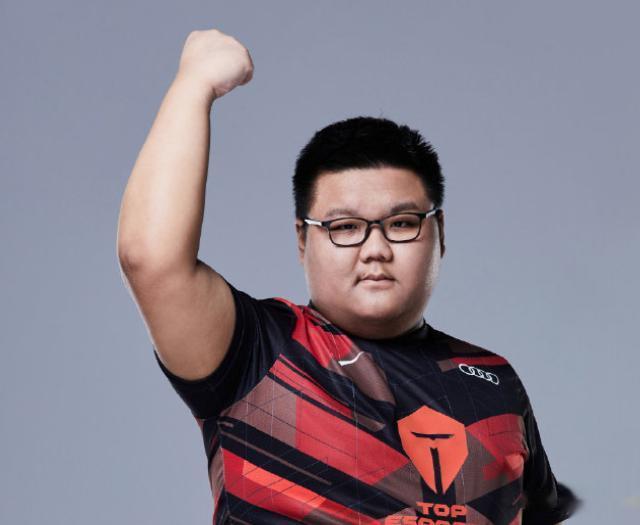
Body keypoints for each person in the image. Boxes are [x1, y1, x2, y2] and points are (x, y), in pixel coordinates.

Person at [117, 29, 580, 525]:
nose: (375, 249)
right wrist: (195, 84)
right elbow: (152, 260)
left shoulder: (494, 380)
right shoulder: (255, 351)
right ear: (303, 238)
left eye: (401, 223)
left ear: (439, 232)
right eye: (345, 228)